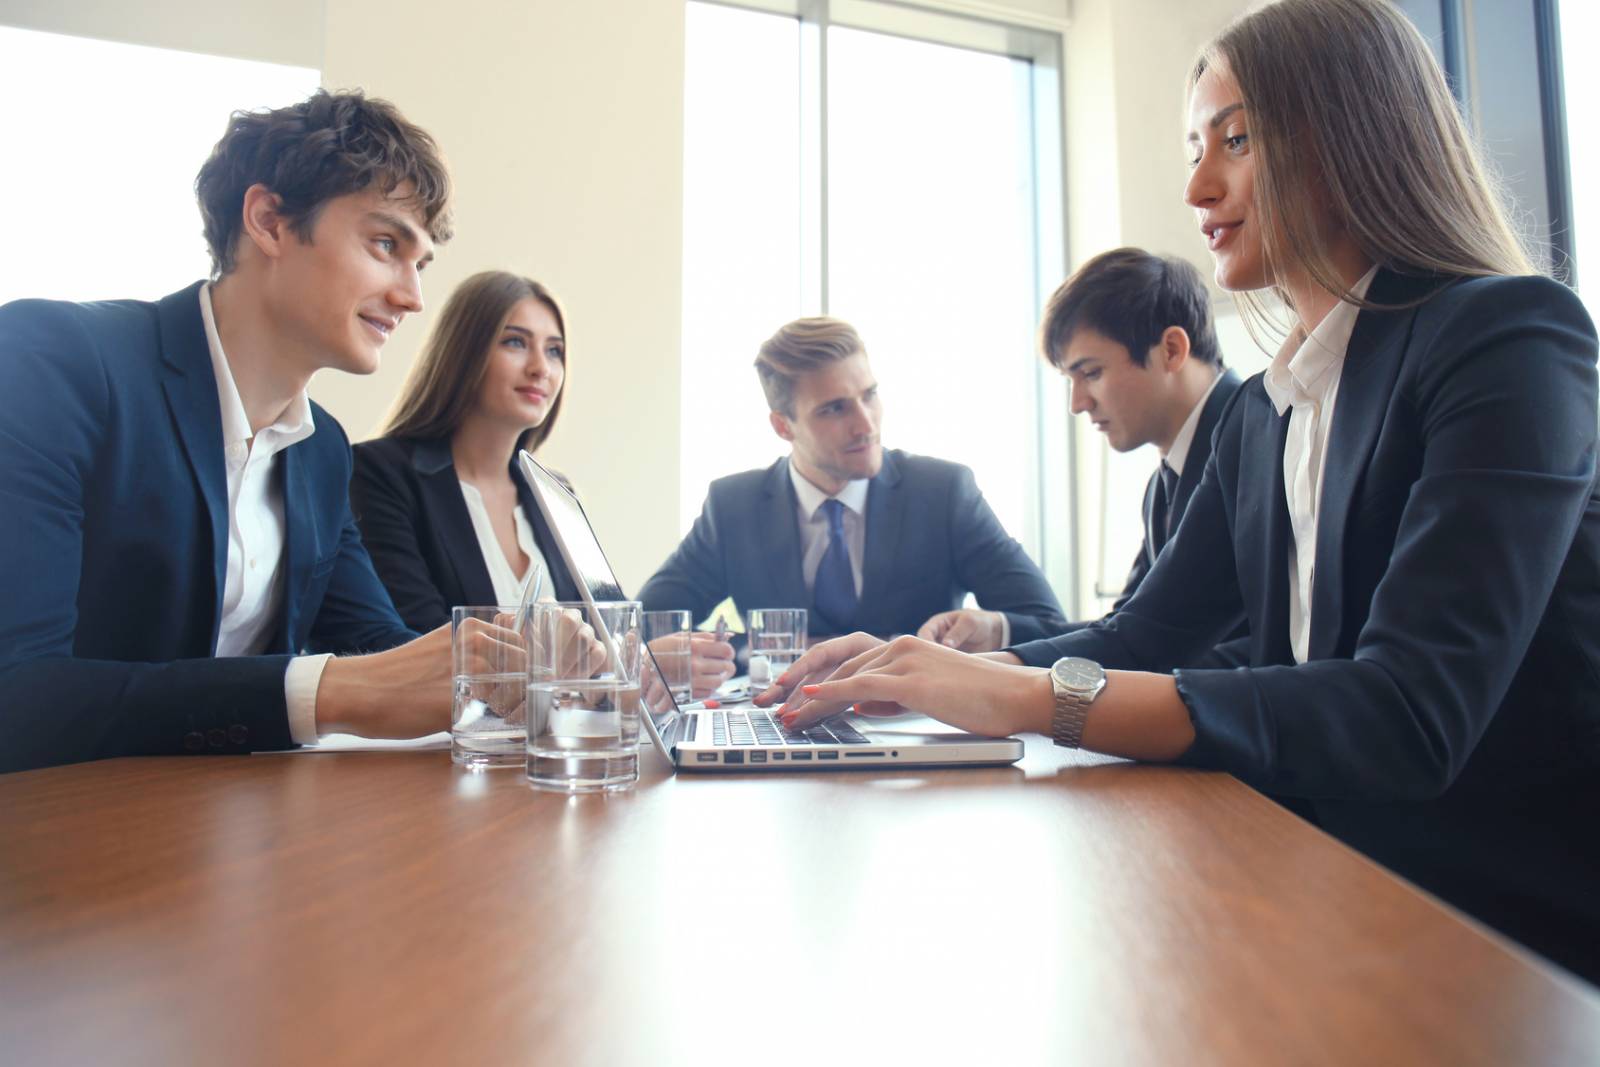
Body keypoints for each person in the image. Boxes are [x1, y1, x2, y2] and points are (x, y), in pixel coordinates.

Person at [759, 0, 1600, 983]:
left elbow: (1408, 712)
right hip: (1328, 880)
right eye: (1193, 144)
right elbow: (1135, 638)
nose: (1198, 183)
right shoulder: (1275, 406)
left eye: (1235, 140)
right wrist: (928, 674)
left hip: (1499, 935)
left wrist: (1031, 696)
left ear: (1349, 135)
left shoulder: (1507, 338)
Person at [0, 90, 491, 774]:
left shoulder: (321, 451)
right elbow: (15, 694)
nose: (412, 296)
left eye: (421, 264)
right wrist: (323, 691)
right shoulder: (57, 360)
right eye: (386, 244)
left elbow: (381, 650)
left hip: (225, 840)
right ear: (269, 221)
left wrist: (514, 666)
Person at [350, 272, 736, 696]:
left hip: (558, 742)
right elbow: (421, 647)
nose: (541, 368)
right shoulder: (381, 472)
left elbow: (608, 628)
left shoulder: (553, 491)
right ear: (463, 353)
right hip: (445, 747)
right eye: (515, 342)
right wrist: (636, 661)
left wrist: (651, 657)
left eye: (555, 351)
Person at [638, 317, 1067, 652]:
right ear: (783, 425)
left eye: (870, 395)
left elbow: (1047, 623)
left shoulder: (943, 493)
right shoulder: (734, 506)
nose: (866, 424)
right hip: (781, 731)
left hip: (921, 732)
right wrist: (747, 651)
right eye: (834, 409)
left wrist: (990, 630)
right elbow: (640, 626)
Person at [1030, 246, 1244, 642]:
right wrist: (999, 634)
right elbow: (1130, 627)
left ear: (1172, 350)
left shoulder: (1253, 440)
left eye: (1091, 373)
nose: (1078, 404)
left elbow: (1150, 643)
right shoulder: (1163, 485)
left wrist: (984, 671)